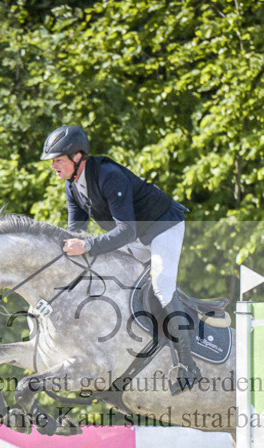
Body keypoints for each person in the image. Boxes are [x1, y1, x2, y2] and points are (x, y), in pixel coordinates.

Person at [40, 124, 200, 393]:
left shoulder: (108, 176)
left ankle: (187, 364)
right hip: (137, 237)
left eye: (58, 160)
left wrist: (88, 245)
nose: (53, 166)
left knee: (161, 286)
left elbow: (126, 231)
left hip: (163, 227)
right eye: (52, 161)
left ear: (77, 157)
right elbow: (75, 231)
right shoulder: (72, 187)